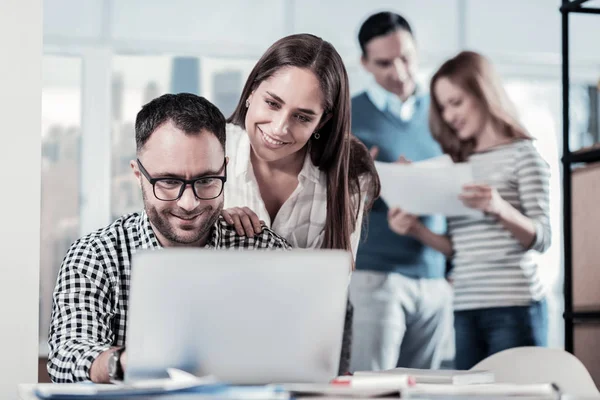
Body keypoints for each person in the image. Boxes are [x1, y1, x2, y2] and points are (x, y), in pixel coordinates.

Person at [47, 93, 291, 383]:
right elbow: (67, 358)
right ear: (138, 174)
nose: (189, 203)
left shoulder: (262, 250)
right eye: (169, 182)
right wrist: (127, 361)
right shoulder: (95, 256)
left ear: (224, 170)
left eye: (206, 181)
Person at [222, 33, 380, 374]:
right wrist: (211, 227)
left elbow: (334, 284)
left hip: (309, 334)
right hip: (220, 328)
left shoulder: (348, 174)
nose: (279, 128)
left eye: (303, 117)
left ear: (322, 122)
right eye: (272, 103)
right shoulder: (210, 151)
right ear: (251, 91)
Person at [388, 51, 551, 369]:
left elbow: (542, 238)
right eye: (443, 106)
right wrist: (417, 230)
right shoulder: (457, 165)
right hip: (464, 306)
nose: (449, 115)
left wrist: (499, 208)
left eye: (456, 102)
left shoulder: (523, 155)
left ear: (483, 93)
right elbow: (457, 249)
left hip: (514, 306)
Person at [349, 12, 452, 372]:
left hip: (434, 274)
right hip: (377, 274)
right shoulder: (347, 116)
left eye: (406, 57)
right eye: (384, 62)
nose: (399, 71)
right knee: (371, 387)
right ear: (364, 63)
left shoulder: (445, 111)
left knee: (426, 388)